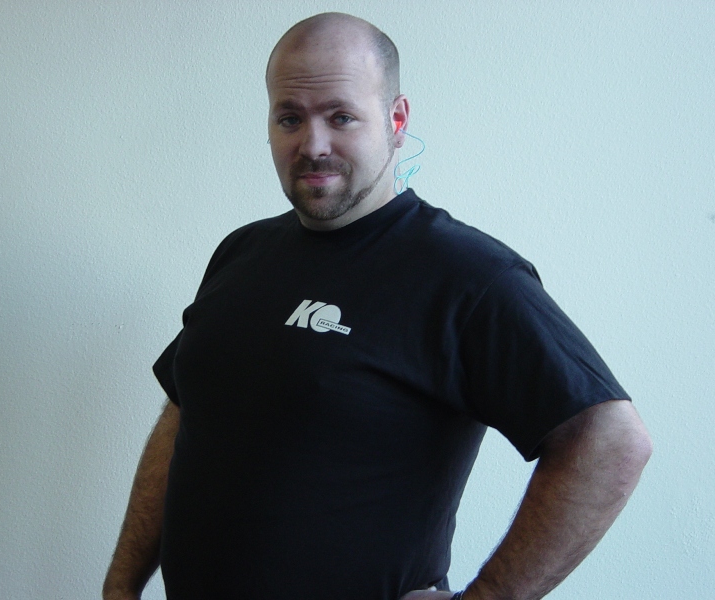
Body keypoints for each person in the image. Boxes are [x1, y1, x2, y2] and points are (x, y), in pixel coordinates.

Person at [103, 12, 652, 600]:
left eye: (341, 117)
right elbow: (185, 412)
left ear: (396, 120)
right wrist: (120, 586)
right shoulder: (240, 252)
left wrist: (487, 596)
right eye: (290, 118)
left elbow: (611, 440)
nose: (312, 145)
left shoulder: (466, 276)